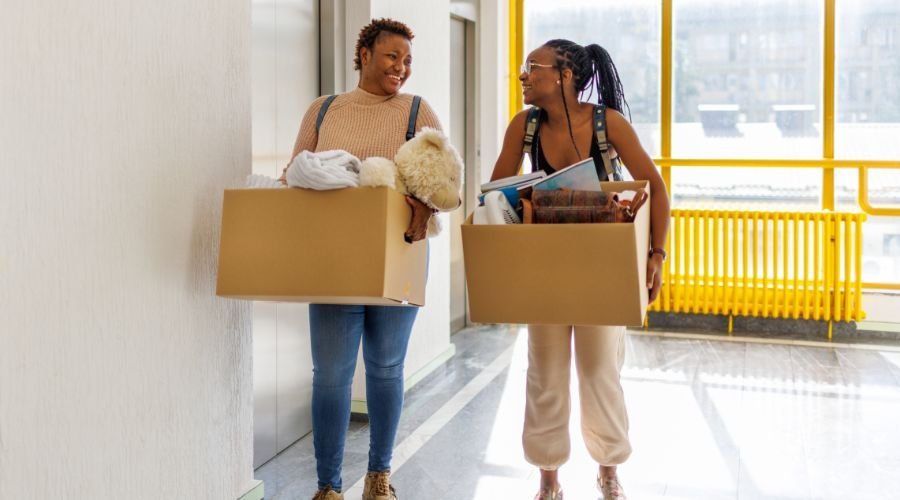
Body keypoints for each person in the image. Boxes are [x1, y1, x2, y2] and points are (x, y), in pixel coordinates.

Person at [490, 40, 671, 500]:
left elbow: (654, 187)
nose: (524, 76)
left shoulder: (607, 124)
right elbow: (494, 195)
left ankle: (608, 473)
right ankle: (548, 479)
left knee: (598, 372)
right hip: (544, 270)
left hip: (603, 269)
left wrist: (656, 257)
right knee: (545, 373)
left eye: (533, 67)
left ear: (565, 75)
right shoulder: (523, 126)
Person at [280, 18, 444, 500]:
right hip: (334, 254)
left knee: (387, 367)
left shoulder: (418, 111)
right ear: (365, 54)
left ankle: (379, 477)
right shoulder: (324, 109)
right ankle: (328, 486)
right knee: (330, 373)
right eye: (393, 56)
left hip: (402, 252)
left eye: (408, 60)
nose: (402, 68)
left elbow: (449, 189)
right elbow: (296, 174)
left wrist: (425, 203)